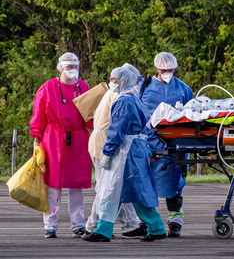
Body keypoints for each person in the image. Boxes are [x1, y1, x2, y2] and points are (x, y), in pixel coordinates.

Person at [83, 67, 166, 242]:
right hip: (134, 150)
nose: (111, 82)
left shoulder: (123, 102)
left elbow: (117, 130)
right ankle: (156, 228)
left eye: (114, 79)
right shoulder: (133, 99)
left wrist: (107, 152)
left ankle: (103, 230)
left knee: (111, 190)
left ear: (122, 81)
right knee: (136, 192)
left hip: (124, 152)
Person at [29, 52, 93, 238]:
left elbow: (90, 116)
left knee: (76, 186)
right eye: (68, 67)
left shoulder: (83, 87)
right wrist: (37, 139)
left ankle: (78, 225)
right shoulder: (48, 87)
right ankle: (50, 225)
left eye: (75, 67)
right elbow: (39, 114)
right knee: (52, 185)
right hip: (53, 139)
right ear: (60, 68)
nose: (72, 71)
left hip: (78, 139)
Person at [140, 52, 193, 237]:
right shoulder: (145, 87)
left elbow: (192, 114)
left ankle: (175, 219)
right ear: (157, 69)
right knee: (146, 182)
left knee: (174, 181)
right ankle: (146, 220)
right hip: (149, 141)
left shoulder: (183, 89)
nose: (168, 73)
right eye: (164, 70)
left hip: (175, 143)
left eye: (171, 70)